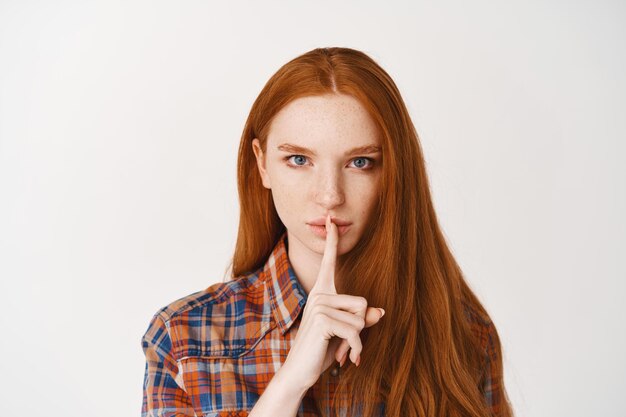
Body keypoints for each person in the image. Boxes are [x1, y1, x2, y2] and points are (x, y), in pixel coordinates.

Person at [141, 47, 515, 417]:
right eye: (299, 160)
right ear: (262, 164)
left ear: (393, 173)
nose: (330, 196)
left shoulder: (464, 335)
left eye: (360, 162)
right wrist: (288, 385)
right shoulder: (183, 339)